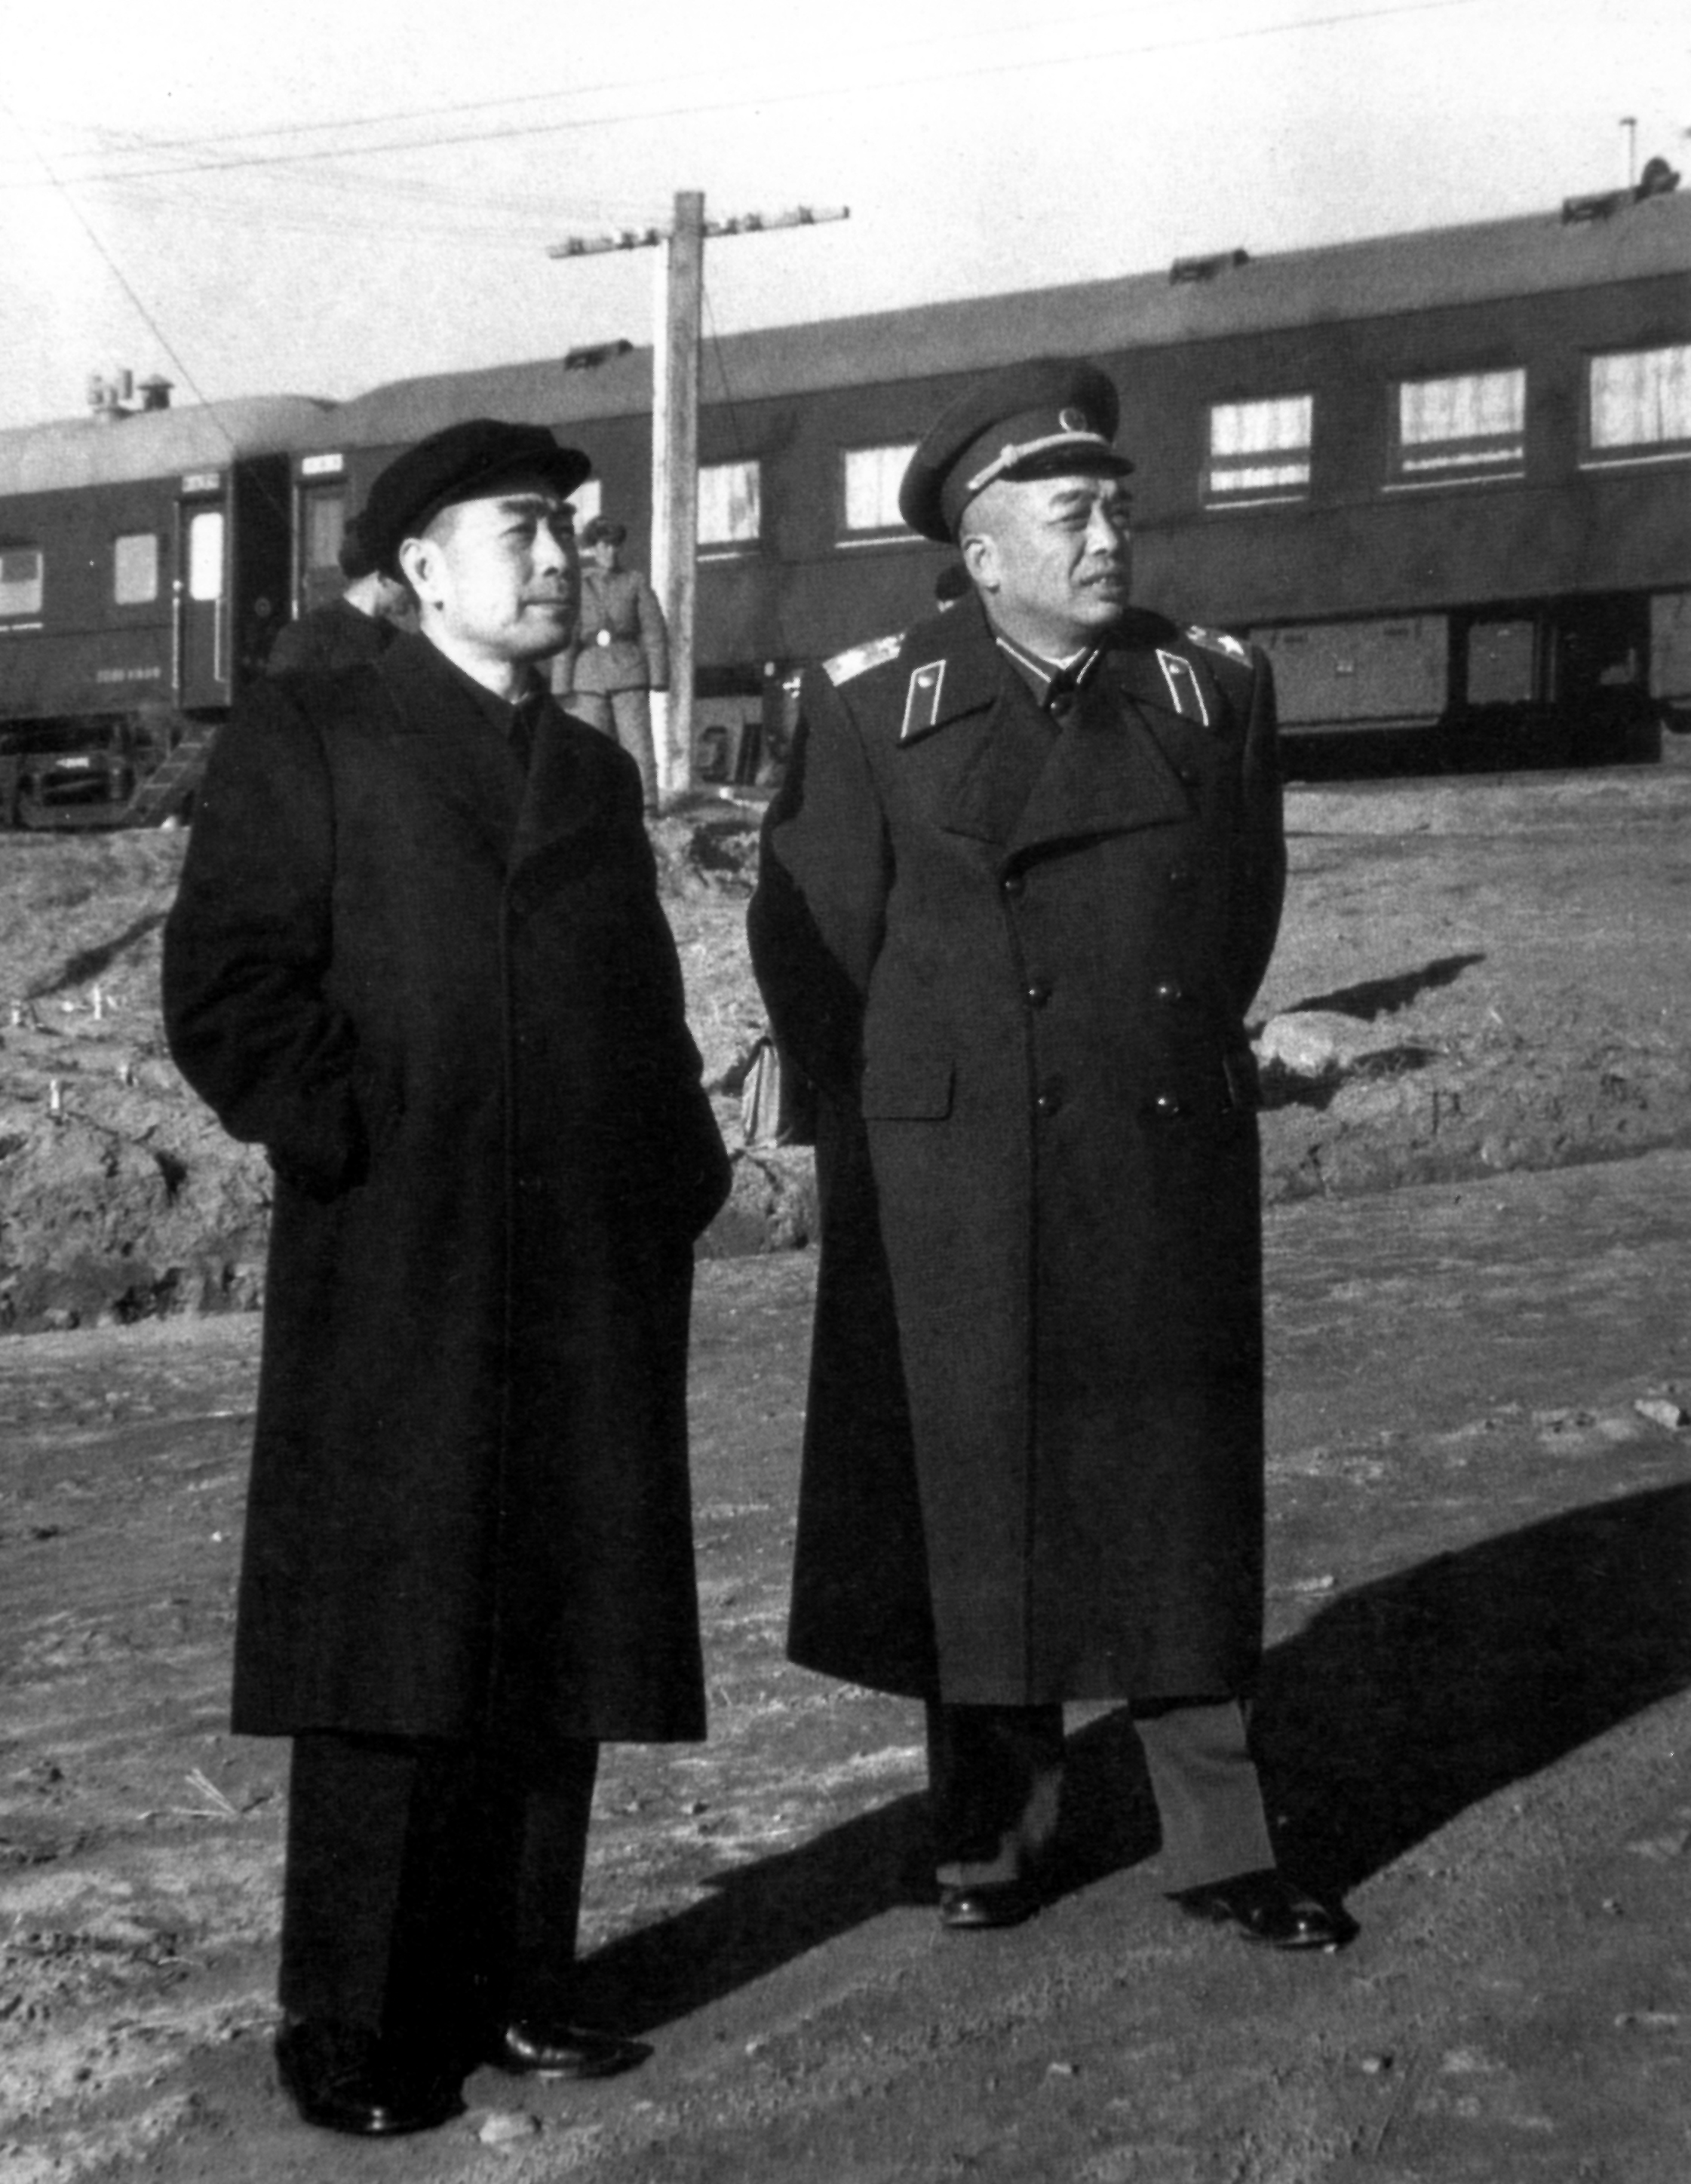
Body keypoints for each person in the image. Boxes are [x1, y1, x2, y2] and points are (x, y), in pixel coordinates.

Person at [163, 419, 731, 2137]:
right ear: (421, 568)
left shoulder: (591, 776)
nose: (559, 558)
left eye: (569, 530)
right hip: (399, 1265)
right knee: (386, 1643)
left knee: (559, 1625)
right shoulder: (317, 734)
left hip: (581, 1268)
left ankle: (518, 1978)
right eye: (519, 530)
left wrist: (673, 1173)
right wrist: (361, 1137)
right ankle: (347, 2019)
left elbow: (640, 997)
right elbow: (229, 985)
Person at [748, 357, 1355, 1952]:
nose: (1106, 539)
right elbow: (808, 949)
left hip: (1153, 1150)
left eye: (1115, 509)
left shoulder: (1209, 691)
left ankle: (1223, 1844)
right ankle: (990, 1835)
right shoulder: (869, 703)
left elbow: (1235, 914)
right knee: (978, 1505)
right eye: (1067, 513)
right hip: (958, 1172)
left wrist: (1153, 1059)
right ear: (980, 550)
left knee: (1176, 1500)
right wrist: (914, 1115)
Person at [553, 516, 668, 814]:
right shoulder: (580, 585)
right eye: (604, 545)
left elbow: (654, 630)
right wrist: (561, 683)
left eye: (616, 545)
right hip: (589, 675)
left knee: (637, 740)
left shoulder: (635, 581)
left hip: (629, 670)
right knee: (589, 744)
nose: (611, 552)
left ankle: (646, 803)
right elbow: (568, 635)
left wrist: (659, 676)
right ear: (593, 548)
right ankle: (591, 805)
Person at [264, 516, 411, 674]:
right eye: (406, 581)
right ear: (383, 579)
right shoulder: (305, 637)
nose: (413, 591)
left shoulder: (397, 642)